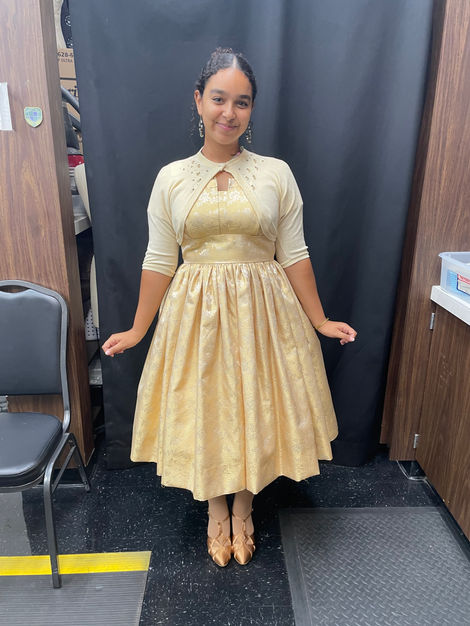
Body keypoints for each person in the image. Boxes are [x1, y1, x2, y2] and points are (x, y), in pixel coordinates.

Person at [102, 47, 357, 568]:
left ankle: (244, 506)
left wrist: (320, 320)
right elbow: (159, 259)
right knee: (209, 410)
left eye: (242, 102)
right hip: (195, 316)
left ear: (252, 109)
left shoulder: (276, 173)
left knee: (255, 409)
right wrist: (137, 329)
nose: (229, 112)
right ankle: (215, 510)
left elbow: (295, 254)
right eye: (219, 99)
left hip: (264, 314)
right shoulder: (172, 178)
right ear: (198, 101)